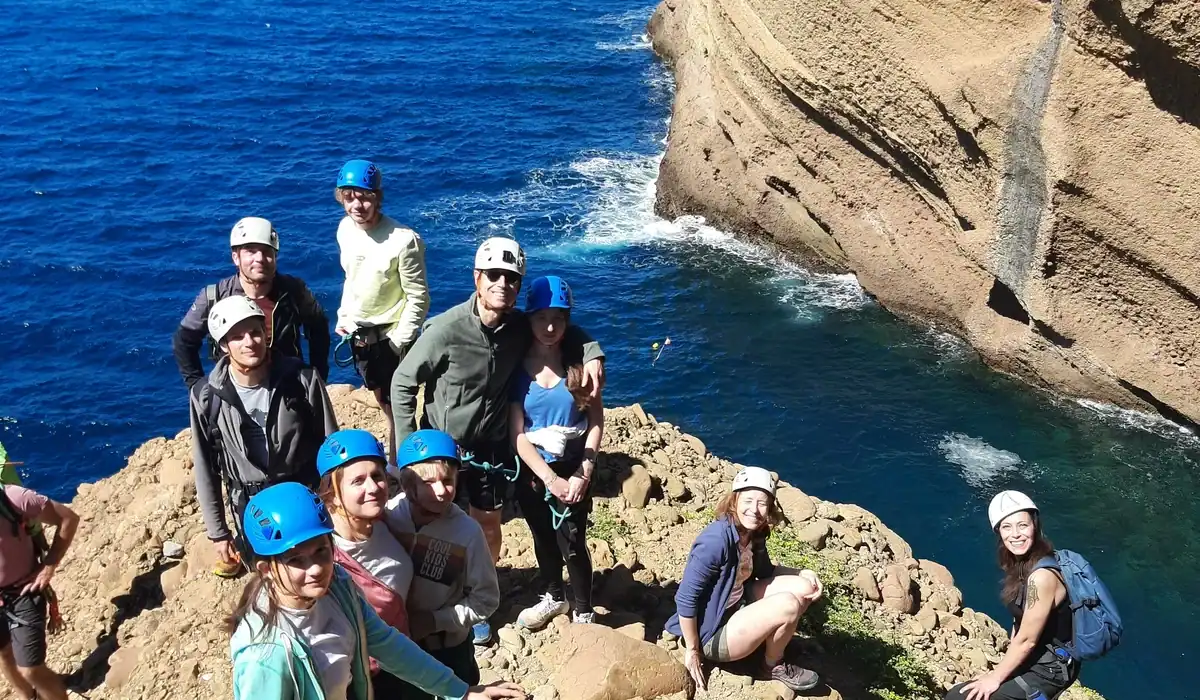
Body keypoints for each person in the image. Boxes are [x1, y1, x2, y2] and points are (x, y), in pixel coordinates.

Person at [390, 238, 604, 644]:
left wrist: (593, 351)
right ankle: (438, 601)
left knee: (487, 525)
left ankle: (476, 598)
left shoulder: (518, 327)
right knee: (435, 525)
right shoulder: (446, 330)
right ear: (477, 278)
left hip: (490, 449)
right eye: (494, 275)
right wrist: (408, 450)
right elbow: (403, 381)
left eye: (511, 278)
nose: (502, 284)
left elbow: (559, 328)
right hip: (443, 448)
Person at [228, 482, 524, 700]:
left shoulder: (338, 587)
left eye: (321, 551)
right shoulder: (265, 657)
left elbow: (384, 642)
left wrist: (459, 692)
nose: (316, 568)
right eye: (295, 560)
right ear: (267, 570)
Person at [190, 295, 339, 578]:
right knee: (273, 579)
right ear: (223, 345)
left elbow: (330, 443)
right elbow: (205, 468)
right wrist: (218, 534)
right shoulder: (206, 397)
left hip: (303, 497)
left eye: (255, 332)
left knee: (318, 573)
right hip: (253, 509)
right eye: (237, 336)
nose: (250, 341)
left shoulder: (302, 379)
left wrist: (334, 499)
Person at [666, 467, 823, 694]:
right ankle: (771, 665)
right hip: (712, 631)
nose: (755, 510)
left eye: (762, 503)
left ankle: (767, 641)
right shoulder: (715, 541)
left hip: (738, 602)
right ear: (735, 499)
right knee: (789, 605)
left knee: (805, 588)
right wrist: (692, 649)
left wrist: (801, 572)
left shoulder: (752, 533)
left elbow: (765, 570)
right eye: (748, 500)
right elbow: (686, 598)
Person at [508, 276, 603, 630]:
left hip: (574, 466)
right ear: (528, 318)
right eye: (541, 318)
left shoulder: (580, 367)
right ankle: (553, 594)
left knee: (574, 540)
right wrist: (549, 479)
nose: (549, 327)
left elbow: (595, 421)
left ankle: (584, 609)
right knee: (542, 536)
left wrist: (583, 473)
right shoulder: (517, 368)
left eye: (558, 319)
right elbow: (517, 434)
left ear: (568, 321)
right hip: (535, 470)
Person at [384, 430, 499, 696]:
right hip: (401, 644)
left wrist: (435, 621)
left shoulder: (466, 532)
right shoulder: (389, 518)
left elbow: (486, 598)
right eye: (428, 482)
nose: (441, 491)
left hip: (449, 646)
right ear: (406, 484)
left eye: (448, 480)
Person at [334, 160, 430, 464]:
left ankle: (405, 467)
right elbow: (353, 279)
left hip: (390, 338)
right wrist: (344, 317)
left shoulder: (403, 240)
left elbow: (418, 297)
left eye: (365, 196)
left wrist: (398, 341)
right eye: (350, 197)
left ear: (378, 197)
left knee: (398, 408)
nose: (357, 205)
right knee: (383, 401)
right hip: (360, 338)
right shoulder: (346, 230)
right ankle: (399, 464)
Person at [945, 491, 1080, 700]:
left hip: (1051, 669)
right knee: (960, 695)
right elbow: (1021, 624)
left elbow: (1027, 640)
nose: (1015, 534)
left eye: (1023, 525)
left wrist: (995, 678)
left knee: (959, 698)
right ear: (999, 532)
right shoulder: (1024, 565)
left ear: (1035, 526)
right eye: (1007, 527)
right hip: (1038, 660)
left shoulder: (1042, 577)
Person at [174, 216, 330, 388]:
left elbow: (319, 330)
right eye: (250, 251)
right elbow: (184, 340)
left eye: (266, 251)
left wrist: (316, 378)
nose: (260, 258)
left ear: (275, 256)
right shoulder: (215, 296)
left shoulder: (294, 291)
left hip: (288, 389)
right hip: (235, 392)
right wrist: (196, 385)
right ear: (236, 257)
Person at [316, 429, 415, 695]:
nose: (373, 488)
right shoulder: (324, 561)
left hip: (406, 660)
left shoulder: (382, 520)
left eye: (377, 476)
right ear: (333, 493)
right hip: (367, 680)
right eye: (358, 481)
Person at [0, 482, 79, 700]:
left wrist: (49, 565)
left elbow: (68, 518)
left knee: (30, 669)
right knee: (5, 654)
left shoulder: (12, 498)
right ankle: (29, 697)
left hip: (22, 593)